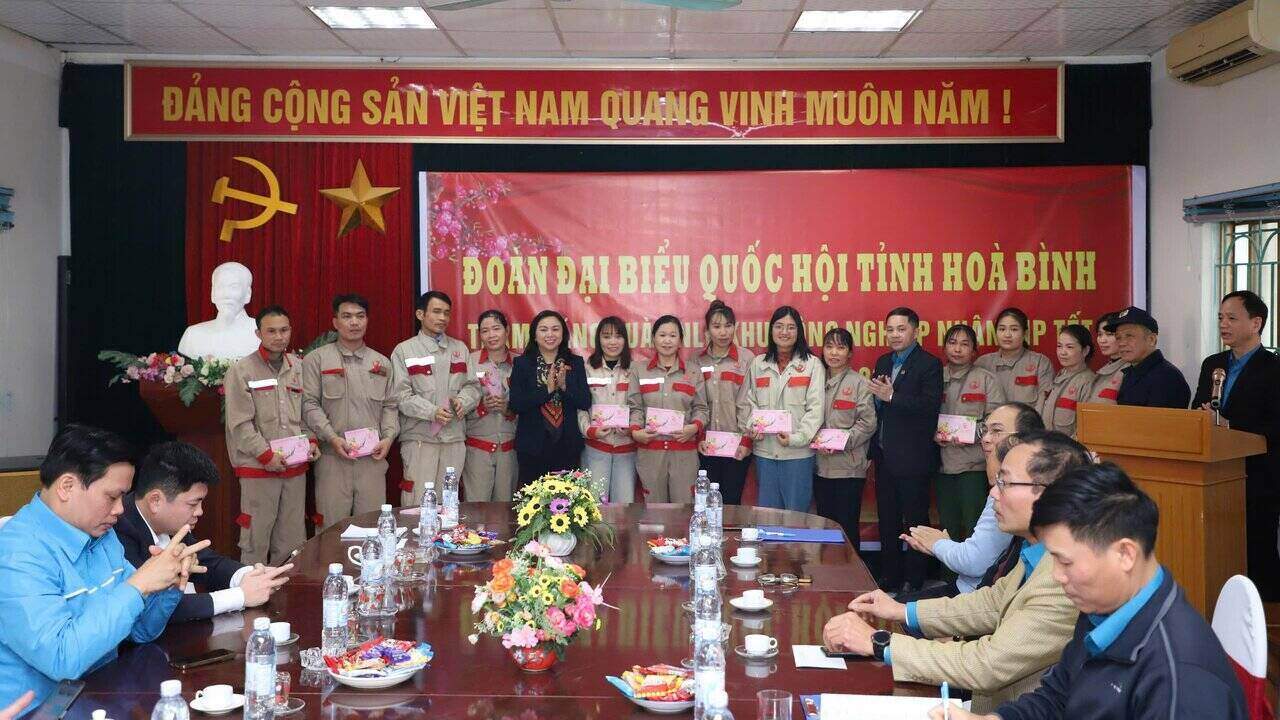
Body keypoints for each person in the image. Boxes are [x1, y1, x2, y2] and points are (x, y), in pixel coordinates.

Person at [930, 463, 1248, 720]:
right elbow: (1057, 697)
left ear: (1125, 554)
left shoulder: (1180, 681)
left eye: (1065, 561)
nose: (1057, 576)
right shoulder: (1105, 608)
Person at [823, 431, 1089, 713]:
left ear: (1050, 494)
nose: (993, 492)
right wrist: (902, 611)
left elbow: (987, 664)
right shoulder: (1039, 551)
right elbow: (990, 603)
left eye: (1005, 482)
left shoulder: (1065, 577)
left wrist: (879, 643)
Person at [0, 425, 207, 714]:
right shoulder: (16, 554)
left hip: (100, 694)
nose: (121, 509)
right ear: (67, 487)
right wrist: (138, 585)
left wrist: (168, 582)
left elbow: (140, 630)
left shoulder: (102, 535)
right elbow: (63, 659)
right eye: (112, 497)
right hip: (39, 711)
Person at [115, 441, 293, 624]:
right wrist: (240, 596)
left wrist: (249, 576)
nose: (200, 512)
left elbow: (208, 563)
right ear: (155, 501)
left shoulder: (171, 524)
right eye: (193, 504)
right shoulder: (119, 530)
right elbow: (151, 607)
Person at [1192, 290, 1280, 600]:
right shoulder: (1213, 364)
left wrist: (1231, 427)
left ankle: (1265, 616)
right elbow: (1195, 410)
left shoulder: (1273, 368)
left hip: (1258, 477)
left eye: (1232, 318)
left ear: (1256, 323)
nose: (1223, 324)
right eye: (1220, 318)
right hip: (1214, 474)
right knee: (1222, 550)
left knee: (1258, 551)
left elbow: (1275, 426)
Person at [900, 403, 1036, 602]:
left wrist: (939, 545)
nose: (986, 439)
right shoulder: (1002, 487)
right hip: (971, 592)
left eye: (996, 431)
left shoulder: (1018, 492)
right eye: (984, 431)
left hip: (976, 598)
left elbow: (975, 561)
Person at [224, 305, 318, 565]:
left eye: (284, 330)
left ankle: (286, 599)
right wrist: (266, 455)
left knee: (292, 540)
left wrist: (310, 441)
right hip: (259, 468)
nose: (279, 336)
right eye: (272, 331)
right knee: (255, 538)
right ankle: (251, 598)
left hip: (295, 469)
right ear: (258, 334)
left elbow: (307, 412)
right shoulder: (242, 371)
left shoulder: (299, 368)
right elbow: (240, 425)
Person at [302, 294, 398, 529]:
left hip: (372, 461)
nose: (354, 322)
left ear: (367, 320)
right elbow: (308, 404)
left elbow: (390, 405)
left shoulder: (382, 363)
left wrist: (388, 438)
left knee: (373, 527)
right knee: (331, 529)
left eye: (360, 316)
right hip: (333, 459)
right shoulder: (317, 360)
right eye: (347, 316)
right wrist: (332, 438)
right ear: (335, 322)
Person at [868, 306, 943, 592]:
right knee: (887, 520)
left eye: (901, 329)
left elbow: (929, 406)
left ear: (915, 330)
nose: (894, 334)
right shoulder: (884, 361)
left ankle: (915, 580)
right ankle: (890, 577)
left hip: (914, 459)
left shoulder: (929, 364)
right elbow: (880, 406)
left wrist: (892, 396)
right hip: (885, 456)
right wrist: (879, 398)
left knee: (914, 522)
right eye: (890, 329)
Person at [391, 290, 481, 505]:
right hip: (421, 440)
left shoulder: (459, 348)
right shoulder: (404, 350)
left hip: (454, 439)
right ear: (420, 314)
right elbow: (400, 396)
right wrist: (431, 412)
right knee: (418, 503)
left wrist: (463, 402)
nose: (442, 318)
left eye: (447, 313)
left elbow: (473, 387)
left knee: (449, 504)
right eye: (437, 312)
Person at [743, 306, 825, 511]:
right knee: (768, 517)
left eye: (791, 327)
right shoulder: (758, 364)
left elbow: (816, 409)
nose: (784, 332)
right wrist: (752, 426)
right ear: (771, 331)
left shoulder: (812, 365)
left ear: (799, 332)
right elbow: (748, 403)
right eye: (779, 326)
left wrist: (796, 438)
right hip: (765, 453)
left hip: (797, 454)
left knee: (796, 517)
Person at [935, 324, 1006, 546]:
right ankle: (949, 580)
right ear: (945, 347)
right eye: (953, 343)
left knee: (974, 527)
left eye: (965, 344)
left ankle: (976, 581)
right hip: (940, 465)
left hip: (973, 466)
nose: (958, 349)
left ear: (974, 350)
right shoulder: (933, 376)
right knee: (948, 527)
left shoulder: (986, 379)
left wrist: (969, 434)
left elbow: (996, 423)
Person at [627, 315, 709, 503]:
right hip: (650, 454)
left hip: (684, 454)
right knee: (654, 515)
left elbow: (701, 409)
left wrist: (694, 427)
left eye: (673, 335)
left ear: (680, 341)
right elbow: (635, 407)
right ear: (653, 339)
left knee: (683, 510)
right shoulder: (638, 370)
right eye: (662, 335)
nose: (667, 340)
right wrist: (635, 432)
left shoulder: (693, 371)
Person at [510, 310, 592, 488]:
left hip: (567, 446)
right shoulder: (522, 364)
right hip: (532, 446)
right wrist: (547, 390)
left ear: (563, 334)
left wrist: (564, 388)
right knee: (532, 506)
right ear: (534, 334)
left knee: (565, 506)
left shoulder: (575, 362)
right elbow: (516, 404)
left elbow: (585, 401)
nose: (550, 334)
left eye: (555, 329)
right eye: (543, 330)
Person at [813, 328, 877, 547]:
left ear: (850, 353)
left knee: (847, 528)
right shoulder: (815, 381)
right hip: (820, 467)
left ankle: (853, 579)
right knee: (824, 527)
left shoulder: (860, 383)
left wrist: (841, 442)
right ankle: (828, 578)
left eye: (840, 347)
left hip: (849, 468)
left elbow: (868, 423)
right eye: (829, 346)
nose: (834, 353)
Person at [694, 300, 755, 505]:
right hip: (705, 445)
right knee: (706, 504)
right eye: (717, 326)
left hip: (737, 446)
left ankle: (729, 537)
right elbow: (695, 403)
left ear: (735, 327)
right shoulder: (696, 361)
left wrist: (746, 441)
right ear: (707, 330)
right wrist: (698, 437)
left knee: (731, 502)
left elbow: (749, 403)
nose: (723, 332)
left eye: (728, 326)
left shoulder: (747, 359)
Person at [578, 316, 638, 502]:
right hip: (595, 448)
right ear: (598, 340)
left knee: (624, 506)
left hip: (626, 449)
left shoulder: (635, 369)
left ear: (625, 340)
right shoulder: (586, 369)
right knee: (593, 507)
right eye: (606, 336)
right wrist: (589, 430)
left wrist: (632, 427)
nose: (613, 342)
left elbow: (640, 406)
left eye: (618, 336)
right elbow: (580, 407)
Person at [463, 310, 518, 502]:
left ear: (507, 330)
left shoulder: (520, 364)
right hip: (477, 449)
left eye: (496, 328)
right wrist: (481, 407)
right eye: (485, 331)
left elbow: (531, 408)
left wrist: (508, 409)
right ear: (480, 335)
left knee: (505, 512)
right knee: (476, 511)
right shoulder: (469, 362)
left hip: (509, 451)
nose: (491, 335)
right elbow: (455, 404)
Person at [1106, 306, 1191, 409]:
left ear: (1151, 339)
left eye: (1129, 336)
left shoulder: (1167, 378)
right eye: (1118, 337)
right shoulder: (1130, 373)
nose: (1122, 343)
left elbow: (1157, 423)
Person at [975, 307, 1054, 407]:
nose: (1007, 335)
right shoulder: (982, 363)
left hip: (1028, 422)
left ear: (1024, 333)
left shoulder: (1040, 362)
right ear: (996, 332)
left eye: (1014, 329)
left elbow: (1045, 405)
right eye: (1002, 329)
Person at [1038, 325, 1096, 437]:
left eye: (1069, 347)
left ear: (1085, 350)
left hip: (1069, 451)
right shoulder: (1060, 375)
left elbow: (1085, 430)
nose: (1062, 352)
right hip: (1049, 446)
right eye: (1059, 346)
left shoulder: (1089, 382)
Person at [1087, 311, 1126, 404]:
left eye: (1109, 334)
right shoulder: (1102, 371)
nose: (1102, 340)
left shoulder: (1129, 370)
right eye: (1100, 334)